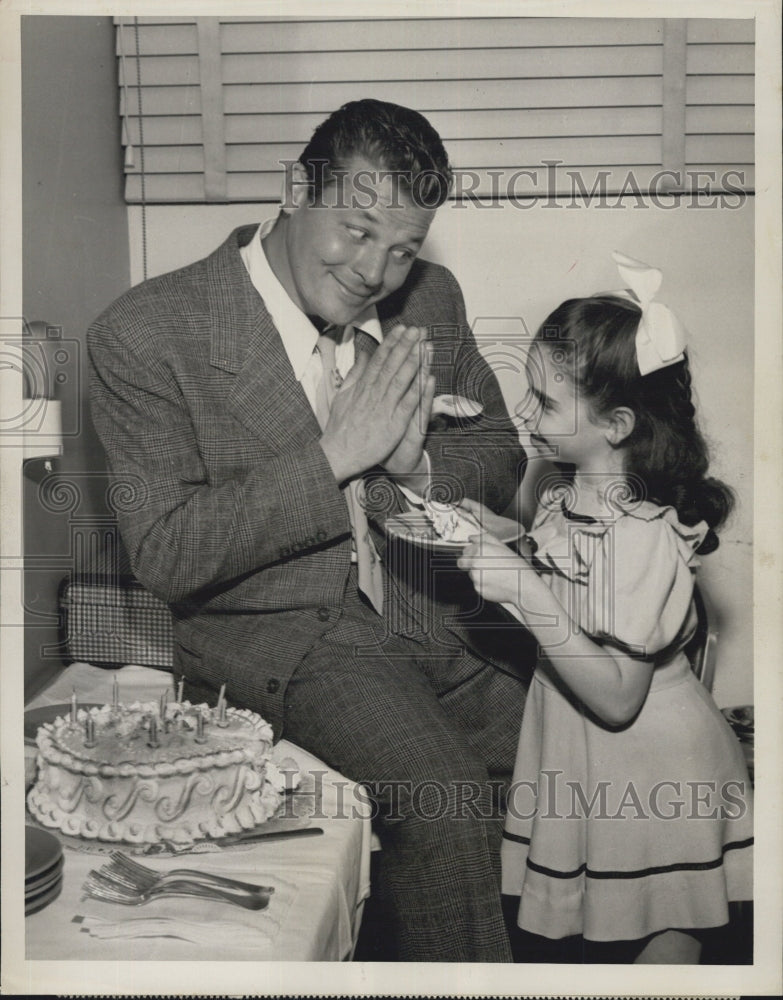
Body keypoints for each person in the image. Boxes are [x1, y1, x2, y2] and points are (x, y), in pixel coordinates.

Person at [88, 99, 532, 962]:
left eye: (401, 247)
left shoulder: (430, 296)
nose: (375, 271)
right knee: (444, 806)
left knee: (594, 751)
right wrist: (334, 456)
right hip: (287, 633)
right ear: (295, 189)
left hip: (431, 607)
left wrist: (413, 468)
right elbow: (166, 551)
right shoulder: (144, 333)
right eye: (356, 231)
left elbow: (498, 452)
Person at [457, 252, 753, 964]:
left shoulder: (642, 536)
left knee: (663, 952)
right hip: (591, 759)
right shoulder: (568, 497)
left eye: (545, 403)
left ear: (615, 424)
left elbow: (619, 697)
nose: (525, 415)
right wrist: (506, 539)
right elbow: (578, 586)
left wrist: (522, 590)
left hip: (655, 771)